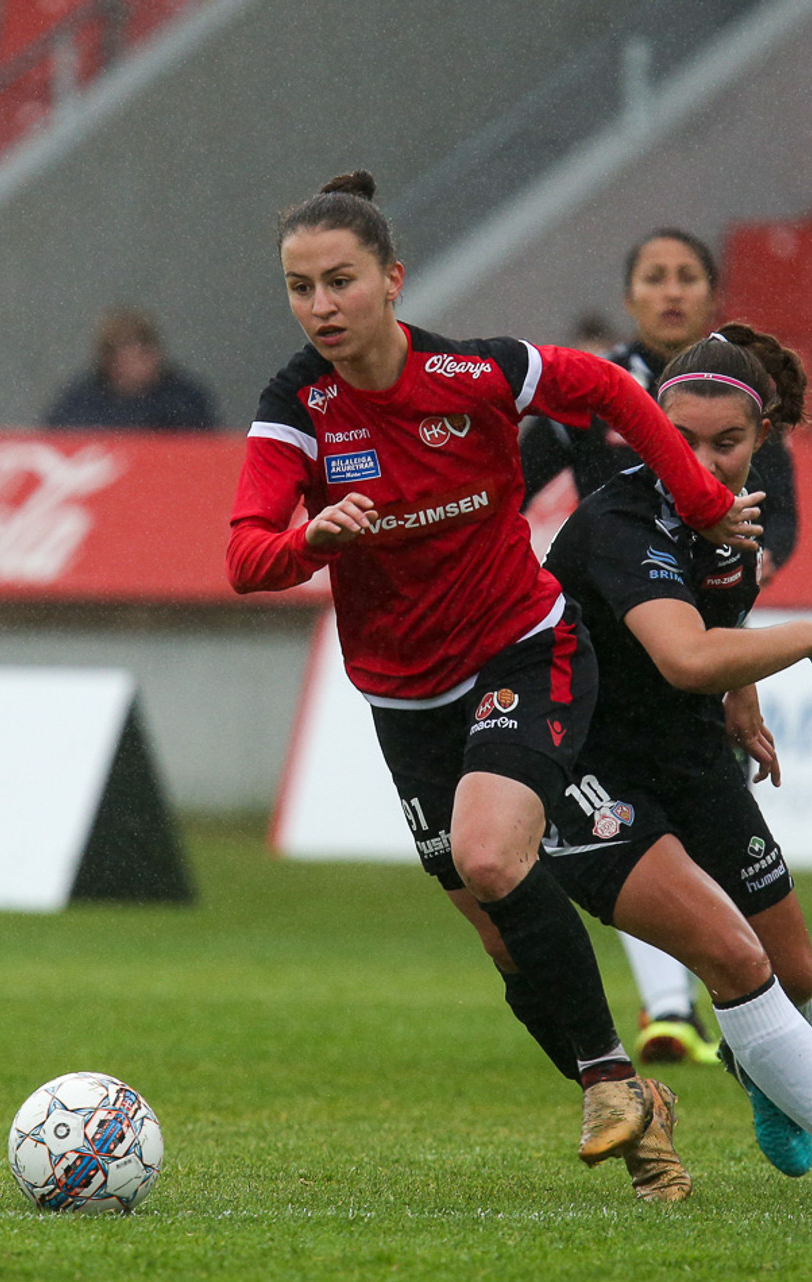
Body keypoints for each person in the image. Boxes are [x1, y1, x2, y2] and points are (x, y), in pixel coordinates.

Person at [225, 171, 761, 1200]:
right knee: (502, 937)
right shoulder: (297, 406)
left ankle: (612, 1080)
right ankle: (638, 1110)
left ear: (393, 279)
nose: (321, 306)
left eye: (340, 281)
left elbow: (608, 391)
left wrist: (699, 500)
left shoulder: (474, 372)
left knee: (488, 853)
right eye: (300, 288)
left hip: (524, 649)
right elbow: (246, 554)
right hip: (403, 698)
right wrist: (308, 541)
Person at [537, 323, 812, 1193]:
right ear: (648, 432)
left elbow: (717, 620)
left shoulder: (733, 518)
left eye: (727, 442)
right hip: (587, 768)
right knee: (734, 955)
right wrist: (805, 636)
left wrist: (743, 690)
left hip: (688, 754)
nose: (704, 461)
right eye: (680, 439)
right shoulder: (620, 520)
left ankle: (759, 1070)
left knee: (794, 976)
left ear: (763, 439)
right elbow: (685, 654)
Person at [521, 228, 800, 1065]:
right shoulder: (593, 390)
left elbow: (776, 517)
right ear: (630, 295)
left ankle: (754, 1023)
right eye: (654, 276)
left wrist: (738, 626)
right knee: (633, 829)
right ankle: (671, 1007)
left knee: (706, 842)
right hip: (613, 640)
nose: (671, 290)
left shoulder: (740, 396)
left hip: (694, 644)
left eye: (686, 276)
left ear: (712, 293)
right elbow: (512, 483)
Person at [45, 307, 219, 431]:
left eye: (146, 353)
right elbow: (60, 445)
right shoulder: (81, 402)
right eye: (130, 357)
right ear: (109, 362)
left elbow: (204, 448)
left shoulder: (184, 399)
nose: (141, 365)